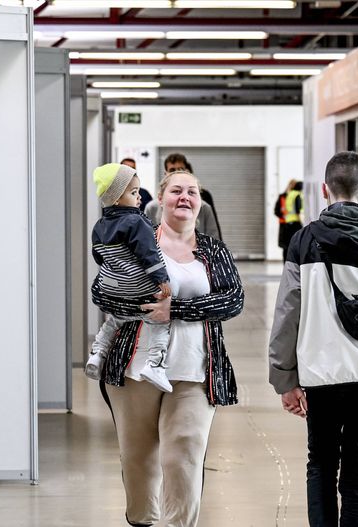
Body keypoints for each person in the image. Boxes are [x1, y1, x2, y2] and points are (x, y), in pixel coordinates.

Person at [268, 151, 358, 527]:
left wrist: (285, 378)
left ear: (324, 190)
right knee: (357, 474)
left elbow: (288, 313)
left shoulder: (303, 242)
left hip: (322, 377)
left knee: (320, 464)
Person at [98, 168, 244, 526]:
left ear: (200, 202)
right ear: (160, 198)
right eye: (176, 190)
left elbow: (233, 299)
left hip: (194, 370)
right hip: (135, 370)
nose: (185, 197)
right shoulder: (136, 239)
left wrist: (174, 309)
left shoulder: (212, 250)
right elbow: (101, 291)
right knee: (138, 460)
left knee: (184, 456)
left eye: (192, 192)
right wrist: (143, 306)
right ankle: (143, 521)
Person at [86, 163, 172, 392]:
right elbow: (148, 253)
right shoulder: (137, 221)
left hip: (111, 285)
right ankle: (155, 365)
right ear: (115, 198)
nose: (139, 198)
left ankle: (96, 354)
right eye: (133, 193)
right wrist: (162, 279)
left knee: (115, 319)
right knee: (159, 322)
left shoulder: (99, 225)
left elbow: (99, 257)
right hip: (137, 284)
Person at [146, 152, 223, 240]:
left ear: (187, 171)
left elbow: (215, 240)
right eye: (172, 170)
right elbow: (146, 241)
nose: (176, 173)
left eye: (180, 169)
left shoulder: (204, 207)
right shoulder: (151, 208)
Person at [274, 179, 304, 261]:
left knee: (291, 247)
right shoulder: (283, 196)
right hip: (286, 225)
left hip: (289, 224)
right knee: (286, 247)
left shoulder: (290, 195)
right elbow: (277, 211)